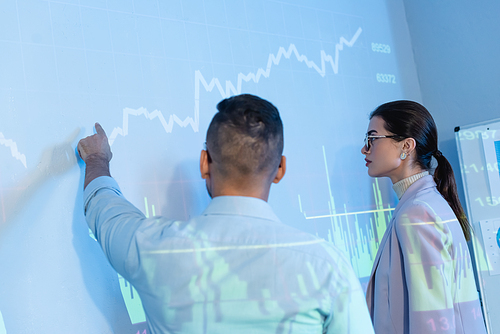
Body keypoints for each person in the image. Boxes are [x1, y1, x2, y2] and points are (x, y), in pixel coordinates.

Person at [78, 94, 374, 334]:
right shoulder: (328, 266)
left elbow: (104, 208)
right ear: (280, 169)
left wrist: (97, 159)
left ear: (204, 162)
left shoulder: (152, 246)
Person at [361, 100, 487, 334]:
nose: (365, 149)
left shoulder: (417, 212)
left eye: (372, 139)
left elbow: (434, 322)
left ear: (406, 146)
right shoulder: (426, 203)